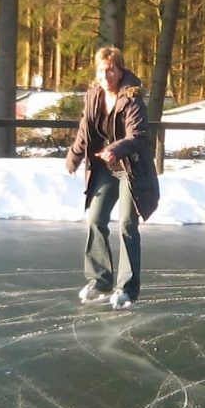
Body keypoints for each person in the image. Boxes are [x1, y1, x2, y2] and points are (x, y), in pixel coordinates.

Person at [65, 45, 160, 309]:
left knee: (127, 225)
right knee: (95, 219)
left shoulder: (132, 98)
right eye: (101, 70)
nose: (106, 75)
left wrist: (115, 149)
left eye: (111, 70)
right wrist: (74, 156)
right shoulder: (93, 96)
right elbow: (85, 130)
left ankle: (127, 288)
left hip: (131, 169)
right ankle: (100, 279)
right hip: (105, 170)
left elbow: (139, 136)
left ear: (120, 71)